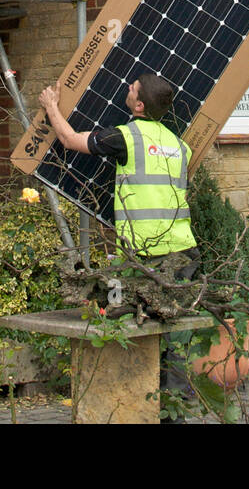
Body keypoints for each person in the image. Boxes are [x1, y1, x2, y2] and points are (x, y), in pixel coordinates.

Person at [37, 71, 201, 415]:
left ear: (139, 105)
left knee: (128, 323)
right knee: (176, 336)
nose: (127, 88)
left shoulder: (126, 138)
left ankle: (133, 406)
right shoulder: (180, 146)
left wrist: (51, 106)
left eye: (133, 88)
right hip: (184, 251)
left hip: (144, 255)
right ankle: (173, 410)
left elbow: (69, 140)